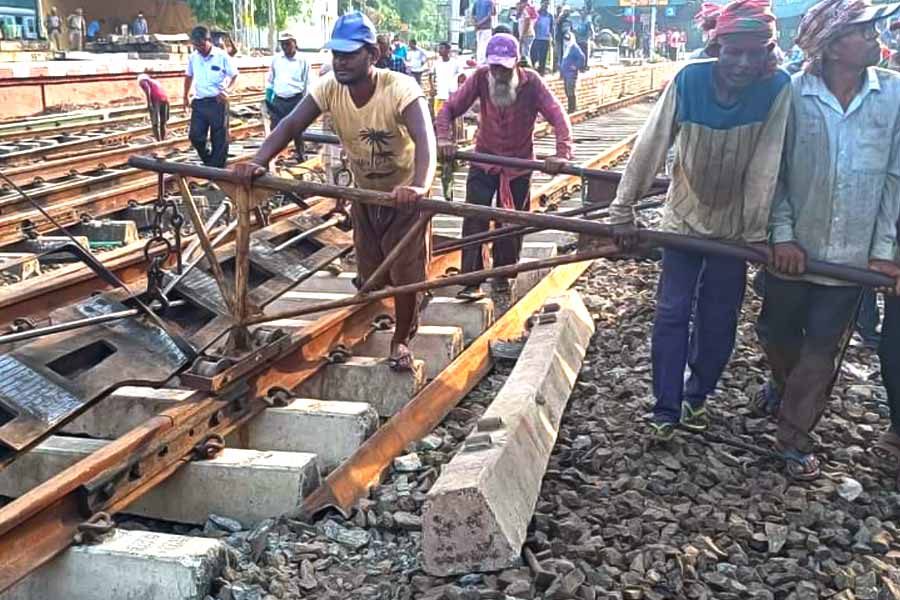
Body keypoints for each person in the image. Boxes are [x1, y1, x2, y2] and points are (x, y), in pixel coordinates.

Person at [608, 0, 791, 441]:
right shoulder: (689, 81)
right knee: (671, 312)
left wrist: (753, 235)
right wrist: (623, 208)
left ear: (767, 54)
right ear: (717, 48)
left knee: (719, 318)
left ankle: (697, 395)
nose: (743, 64)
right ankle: (666, 407)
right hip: (684, 219)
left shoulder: (777, 88)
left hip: (734, 229)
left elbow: (768, 163)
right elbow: (651, 144)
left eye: (754, 53)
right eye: (734, 52)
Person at [233, 12, 437, 371]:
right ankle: (393, 303)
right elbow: (292, 122)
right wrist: (259, 160)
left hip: (405, 196)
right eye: (336, 54)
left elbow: (425, 139)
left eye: (349, 54)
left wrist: (419, 185)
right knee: (372, 271)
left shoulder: (400, 88)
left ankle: (402, 338)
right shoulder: (329, 87)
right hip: (365, 195)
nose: (340, 62)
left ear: (372, 55)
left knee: (404, 273)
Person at [757, 0, 900, 480]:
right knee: (775, 333)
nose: (875, 37)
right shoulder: (793, 95)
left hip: (850, 256)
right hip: (793, 250)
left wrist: (881, 251)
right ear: (834, 46)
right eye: (864, 31)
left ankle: (794, 437)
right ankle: (784, 386)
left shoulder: (894, 96)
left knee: (822, 349)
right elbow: (772, 172)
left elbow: (895, 180)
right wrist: (782, 235)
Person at [435, 33, 572, 298]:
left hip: (518, 165)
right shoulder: (479, 78)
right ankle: (472, 279)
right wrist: (444, 139)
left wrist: (562, 153)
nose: (498, 73)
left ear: (516, 63)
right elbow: (449, 109)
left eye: (504, 68)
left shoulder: (532, 83)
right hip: (484, 160)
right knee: (474, 217)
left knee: (511, 222)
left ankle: (502, 275)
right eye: (494, 66)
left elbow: (558, 116)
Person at [184, 26, 238, 168]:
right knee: (195, 136)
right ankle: (209, 161)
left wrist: (227, 91)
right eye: (196, 45)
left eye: (201, 44)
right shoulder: (193, 57)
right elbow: (188, 76)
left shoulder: (222, 56)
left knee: (219, 139)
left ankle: (217, 170)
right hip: (200, 102)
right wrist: (185, 96)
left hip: (217, 102)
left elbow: (235, 76)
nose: (199, 48)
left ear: (209, 41)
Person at [267, 31, 309, 160]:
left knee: (297, 129)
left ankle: (300, 153)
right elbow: (271, 79)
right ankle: (272, 156)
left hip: (295, 99)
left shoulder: (303, 61)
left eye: (288, 44)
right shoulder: (276, 60)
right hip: (279, 99)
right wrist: (268, 97)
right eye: (283, 44)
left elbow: (307, 82)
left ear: (295, 44)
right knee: (274, 128)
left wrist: (306, 102)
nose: (285, 47)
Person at [432, 41, 464, 115]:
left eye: (441, 48)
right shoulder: (436, 63)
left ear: (448, 50)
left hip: (451, 95)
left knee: (451, 118)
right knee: (439, 117)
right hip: (439, 95)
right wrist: (432, 87)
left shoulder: (455, 63)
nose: (439, 50)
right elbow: (431, 75)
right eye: (439, 48)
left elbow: (462, 76)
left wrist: (458, 89)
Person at [138, 72, 169, 141]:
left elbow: (147, 89)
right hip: (165, 99)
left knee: (155, 122)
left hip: (156, 100)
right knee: (163, 122)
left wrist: (149, 103)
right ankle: (163, 140)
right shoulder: (154, 81)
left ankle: (158, 141)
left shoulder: (143, 81)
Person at [560, 33, 586, 113]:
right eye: (565, 39)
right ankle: (570, 107)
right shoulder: (567, 48)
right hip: (566, 73)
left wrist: (576, 66)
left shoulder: (574, 47)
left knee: (571, 91)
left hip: (571, 74)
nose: (566, 41)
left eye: (568, 39)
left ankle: (572, 108)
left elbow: (582, 57)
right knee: (567, 91)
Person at [531, 0, 554, 74]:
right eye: (545, 4)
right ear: (541, 4)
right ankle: (534, 71)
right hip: (536, 38)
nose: (546, 6)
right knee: (535, 56)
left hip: (545, 39)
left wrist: (552, 38)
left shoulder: (550, 15)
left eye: (547, 4)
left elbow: (551, 28)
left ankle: (542, 72)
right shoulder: (536, 14)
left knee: (543, 57)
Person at [474, 0, 497, 64]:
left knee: (479, 45)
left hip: (478, 28)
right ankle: (483, 61)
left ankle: (479, 61)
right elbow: (491, 14)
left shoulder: (476, 2)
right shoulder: (490, 2)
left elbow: (473, 15)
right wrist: (480, 23)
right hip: (486, 27)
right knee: (485, 45)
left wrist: (476, 24)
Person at [555, 7, 573, 71]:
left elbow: (571, 30)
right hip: (561, 39)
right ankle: (561, 70)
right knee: (561, 55)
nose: (567, 13)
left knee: (566, 54)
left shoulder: (569, 20)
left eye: (568, 11)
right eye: (566, 11)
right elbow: (558, 30)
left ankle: (565, 68)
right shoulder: (560, 20)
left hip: (567, 40)